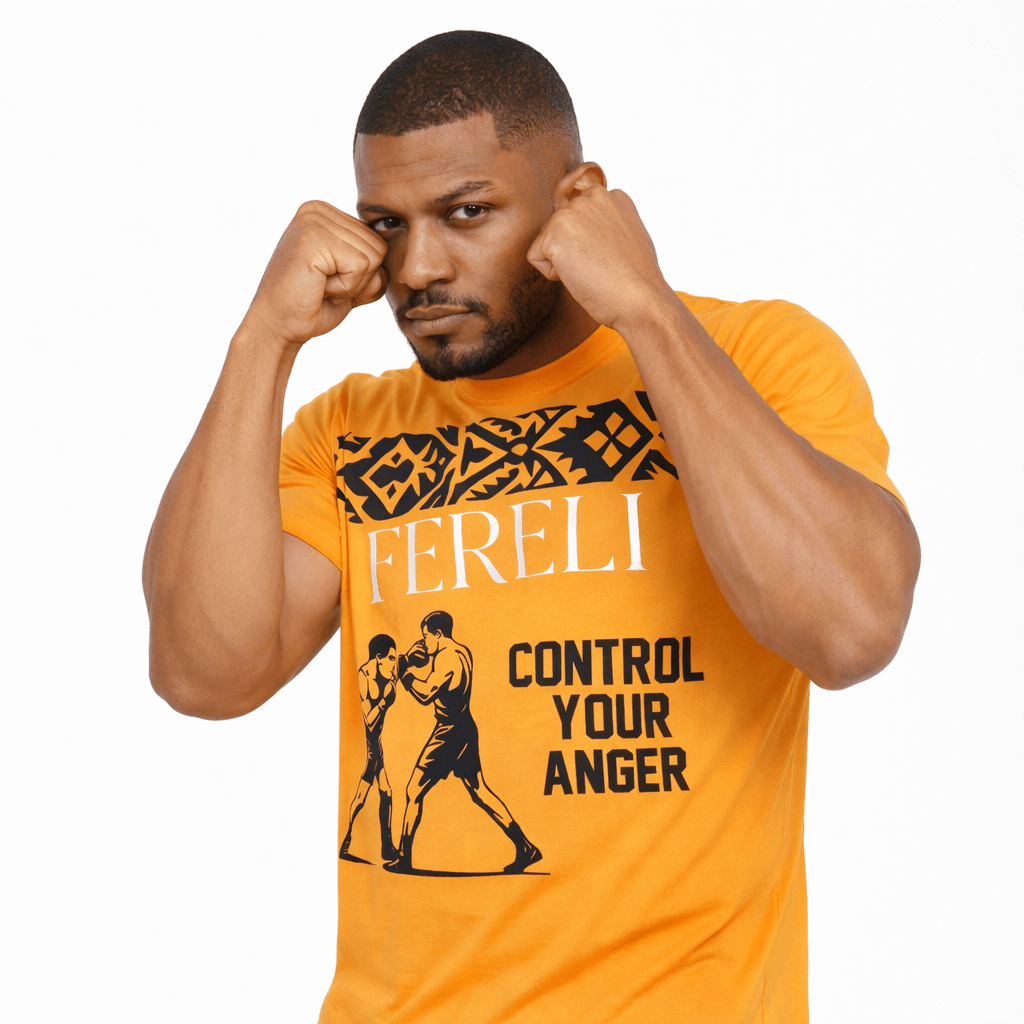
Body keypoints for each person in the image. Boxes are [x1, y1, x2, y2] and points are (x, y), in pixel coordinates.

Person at [143, 29, 920, 1024]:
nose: (417, 267)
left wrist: (643, 307)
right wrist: (262, 340)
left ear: (576, 200)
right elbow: (206, 671)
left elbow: (850, 627)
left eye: (466, 213)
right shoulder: (346, 432)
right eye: (388, 223)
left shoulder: (755, 356)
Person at [392, 610, 541, 874]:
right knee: (479, 791)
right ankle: (525, 847)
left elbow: (426, 693)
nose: (424, 642)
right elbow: (444, 683)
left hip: (449, 732)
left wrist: (404, 672)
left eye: (426, 637)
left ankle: (403, 858)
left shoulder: (447, 658)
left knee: (413, 791)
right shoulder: (461, 651)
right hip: (465, 727)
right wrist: (414, 660)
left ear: (438, 634)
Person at [339, 633, 398, 862]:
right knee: (364, 793)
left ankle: (385, 847)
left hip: (378, 743)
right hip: (370, 743)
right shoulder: (365, 675)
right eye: (391, 658)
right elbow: (369, 719)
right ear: (379, 657)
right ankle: (349, 838)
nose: (394, 662)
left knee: (385, 790)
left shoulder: (389, 673)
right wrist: (385, 701)